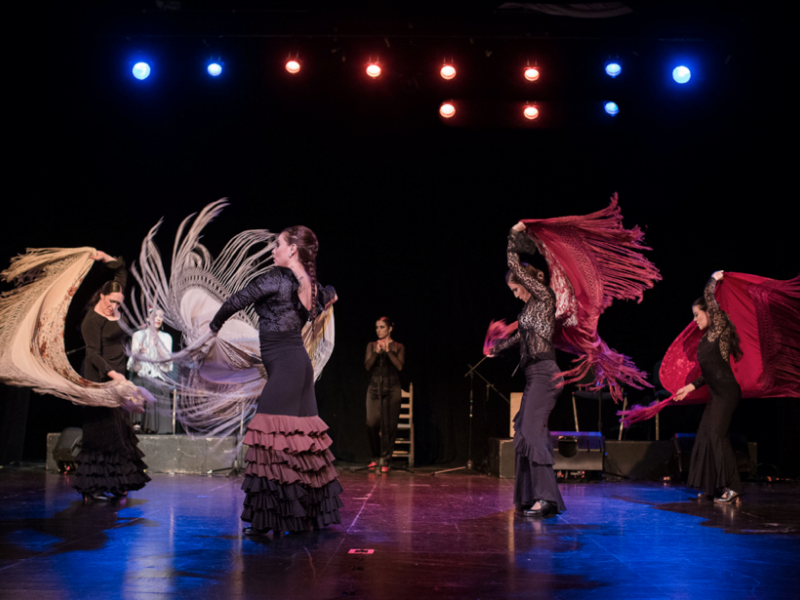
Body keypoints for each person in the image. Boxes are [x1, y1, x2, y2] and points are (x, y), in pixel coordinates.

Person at [209, 225, 342, 534]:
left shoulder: (276, 280)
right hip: (299, 367)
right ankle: (306, 515)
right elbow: (328, 293)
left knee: (269, 440)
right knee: (302, 443)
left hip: (286, 367)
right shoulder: (308, 285)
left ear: (292, 250)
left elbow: (234, 302)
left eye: (278, 245)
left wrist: (212, 329)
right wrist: (330, 293)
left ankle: (269, 518)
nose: (273, 250)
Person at [488, 222, 566, 518]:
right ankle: (530, 495)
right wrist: (498, 348)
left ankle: (546, 499)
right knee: (525, 430)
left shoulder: (544, 297)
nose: (516, 294)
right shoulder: (529, 311)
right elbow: (522, 336)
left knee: (532, 432)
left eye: (516, 288)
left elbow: (513, 264)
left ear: (526, 282)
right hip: (534, 376)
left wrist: (512, 236)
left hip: (547, 375)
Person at [74, 251, 151, 502]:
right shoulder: (91, 321)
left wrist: (102, 256)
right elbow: (93, 354)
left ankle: (118, 482)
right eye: (111, 301)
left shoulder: (115, 301)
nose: (114, 306)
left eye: (118, 302)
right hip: (99, 380)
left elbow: (121, 270)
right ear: (101, 295)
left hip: (118, 380)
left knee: (120, 432)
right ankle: (91, 487)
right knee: (101, 433)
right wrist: (113, 374)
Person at [674, 271, 743, 503]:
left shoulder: (719, 326)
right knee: (705, 435)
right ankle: (712, 487)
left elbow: (708, 295)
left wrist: (713, 278)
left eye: (697, 314)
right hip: (717, 394)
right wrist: (689, 388)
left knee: (717, 435)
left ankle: (733, 488)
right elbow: (707, 373)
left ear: (708, 311)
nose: (695, 319)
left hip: (727, 393)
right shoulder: (705, 340)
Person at [364, 317, 405, 473]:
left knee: (389, 426)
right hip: (375, 387)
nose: (378, 330)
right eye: (376, 327)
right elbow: (367, 366)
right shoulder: (371, 345)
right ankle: (375, 457)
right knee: (372, 422)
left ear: (389, 329)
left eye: (381, 327)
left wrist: (387, 351)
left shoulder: (399, 346)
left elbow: (400, 366)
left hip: (392, 387)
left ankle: (386, 459)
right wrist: (376, 353)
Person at [128, 309, 174, 434]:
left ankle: (155, 427)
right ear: (147, 319)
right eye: (155, 316)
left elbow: (167, 364)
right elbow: (133, 365)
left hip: (158, 375)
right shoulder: (138, 335)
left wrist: (158, 345)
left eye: (161, 316)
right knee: (139, 383)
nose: (158, 318)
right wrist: (139, 353)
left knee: (158, 385)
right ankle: (137, 423)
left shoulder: (166, 337)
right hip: (141, 373)